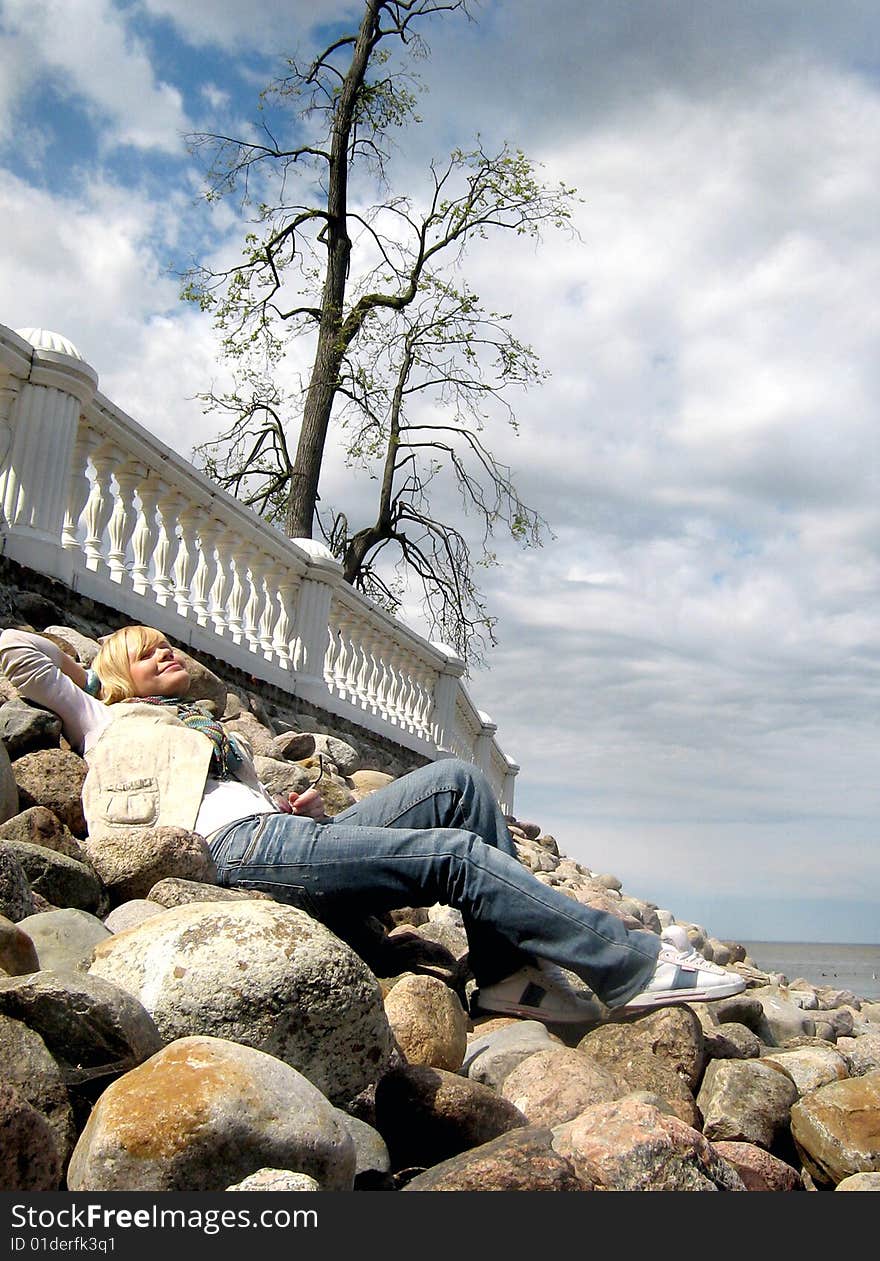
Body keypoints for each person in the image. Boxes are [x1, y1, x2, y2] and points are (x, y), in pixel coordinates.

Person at [0, 624, 746, 1024]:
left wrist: (293, 809)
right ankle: (631, 964)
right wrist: (88, 667)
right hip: (233, 856)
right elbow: (14, 654)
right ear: (116, 675)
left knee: (458, 782)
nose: (166, 652)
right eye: (146, 650)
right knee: (454, 856)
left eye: (167, 644)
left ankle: (508, 973)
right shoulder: (100, 717)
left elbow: (236, 802)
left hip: (275, 840)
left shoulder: (206, 727)